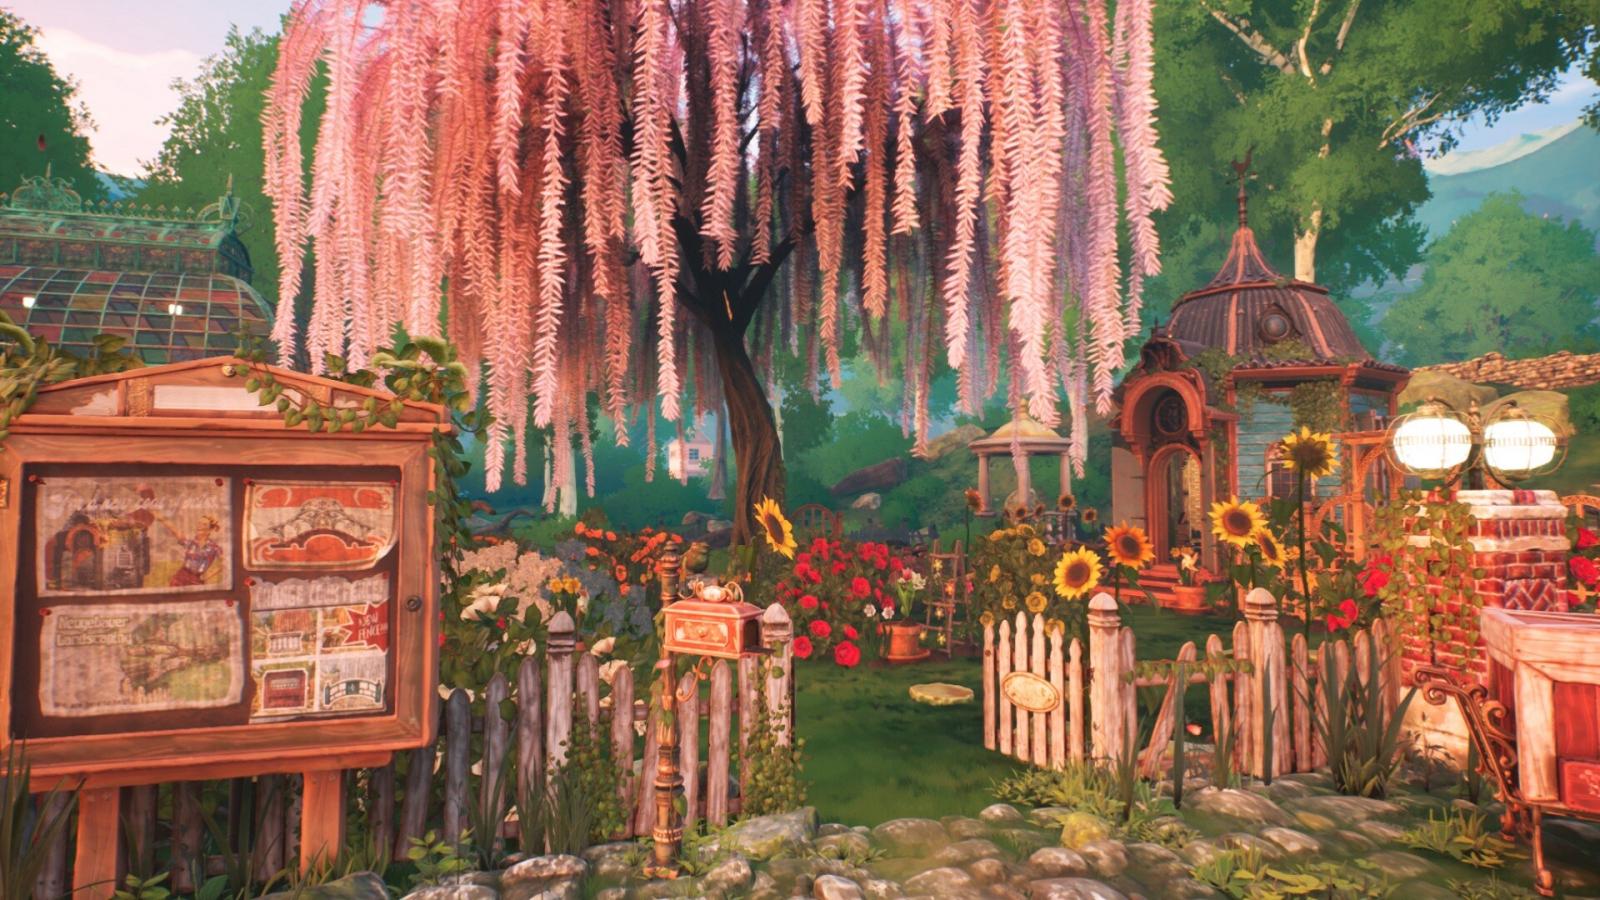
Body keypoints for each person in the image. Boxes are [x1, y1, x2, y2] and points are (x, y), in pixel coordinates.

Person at [160, 514, 224, 587]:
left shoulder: (214, 547)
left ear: (210, 530)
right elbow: (174, 530)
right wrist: (161, 518)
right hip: (180, 577)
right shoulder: (191, 543)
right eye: (199, 523)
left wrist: (208, 576)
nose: (200, 526)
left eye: (204, 524)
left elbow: (224, 564)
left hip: (196, 580)